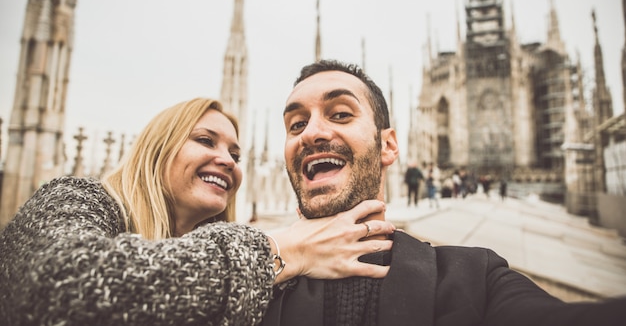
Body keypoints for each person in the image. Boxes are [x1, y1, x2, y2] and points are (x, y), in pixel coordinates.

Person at [262, 59, 626, 326]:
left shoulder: (473, 279)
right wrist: (274, 255)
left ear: (388, 145)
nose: (311, 133)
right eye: (296, 124)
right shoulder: (249, 288)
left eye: (340, 114)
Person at [0, 97, 396, 326]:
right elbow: (54, 285)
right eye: (205, 140)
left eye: (235, 153)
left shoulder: (209, 261)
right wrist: (281, 250)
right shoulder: (75, 198)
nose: (226, 160)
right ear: (157, 150)